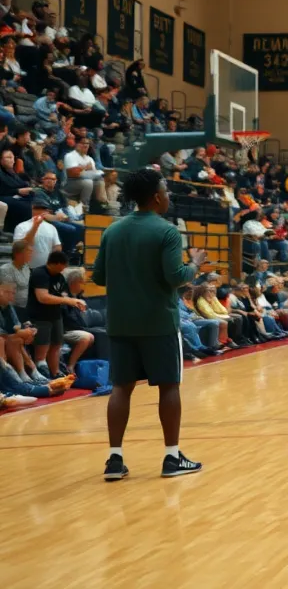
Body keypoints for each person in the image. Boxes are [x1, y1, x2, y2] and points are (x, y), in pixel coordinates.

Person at [91, 168, 207, 481]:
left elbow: (98, 277)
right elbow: (176, 277)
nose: (168, 196)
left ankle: (114, 460)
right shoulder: (166, 231)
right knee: (169, 386)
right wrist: (194, 263)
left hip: (120, 323)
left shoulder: (112, 231)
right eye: (166, 191)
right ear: (156, 197)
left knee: (121, 388)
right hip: (158, 323)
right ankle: (172, 457)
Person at [28, 250, 84, 380]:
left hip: (56, 315)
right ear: (56, 263)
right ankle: (41, 376)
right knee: (42, 350)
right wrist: (67, 300)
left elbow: (64, 295)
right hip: (40, 316)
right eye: (63, 265)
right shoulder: (40, 273)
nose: (64, 268)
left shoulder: (59, 276)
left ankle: (56, 373)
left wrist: (75, 302)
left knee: (56, 345)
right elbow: (43, 297)